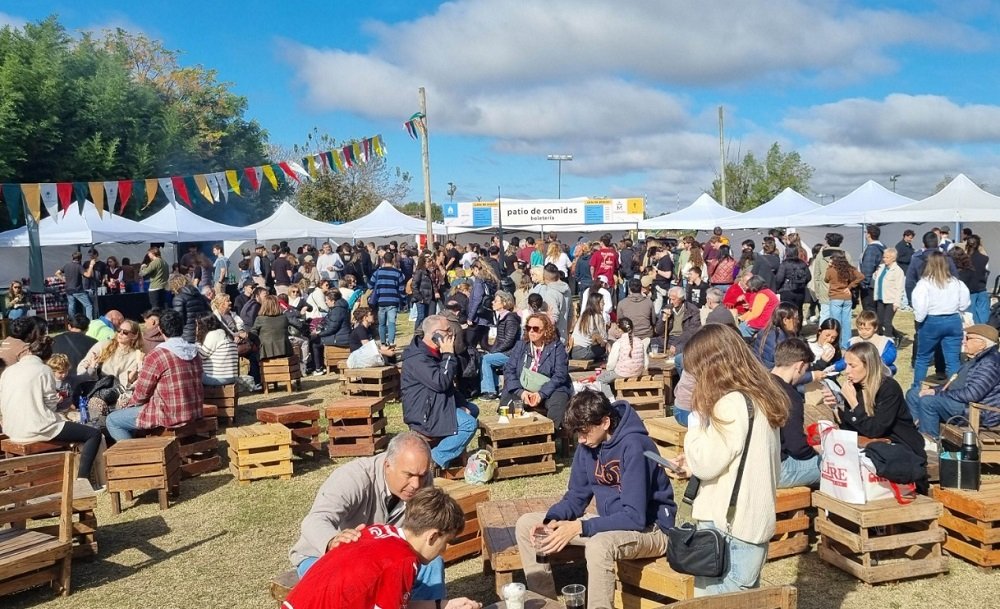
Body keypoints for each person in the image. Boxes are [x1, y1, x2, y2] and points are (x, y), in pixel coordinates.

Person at [515, 391, 676, 609]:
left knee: (599, 546)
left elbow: (635, 517)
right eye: (577, 434)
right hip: (613, 524)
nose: (580, 440)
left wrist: (579, 527)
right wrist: (551, 521)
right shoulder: (587, 446)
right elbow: (576, 497)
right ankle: (546, 605)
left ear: (605, 422)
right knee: (527, 524)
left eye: (584, 432)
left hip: (651, 529)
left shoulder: (635, 445)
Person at [289, 433, 461, 607]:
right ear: (387, 465)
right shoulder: (353, 477)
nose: (416, 484)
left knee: (432, 562)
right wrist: (333, 540)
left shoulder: (422, 481)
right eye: (409, 475)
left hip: (385, 558)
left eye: (422, 475)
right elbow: (314, 521)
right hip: (324, 557)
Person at [681, 323, 788, 595]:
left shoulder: (730, 403)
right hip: (752, 524)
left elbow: (706, 462)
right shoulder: (762, 397)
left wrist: (696, 424)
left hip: (728, 530)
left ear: (711, 365)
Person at [283, 486, 475, 609]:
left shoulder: (378, 531)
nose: (443, 551)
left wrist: (442, 605)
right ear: (433, 536)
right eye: (445, 542)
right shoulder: (403, 562)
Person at [0, 326, 103, 485]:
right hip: (36, 427)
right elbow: (51, 406)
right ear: (48, 358)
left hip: (11, 428)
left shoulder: (8, 371)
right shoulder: (43, 370)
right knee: (93, 434)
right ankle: (83, 480)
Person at [823, 342, 927, 490]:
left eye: (852, 366)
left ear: (868, 365)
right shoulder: (855, 387)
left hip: (901, 446)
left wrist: (853, 403)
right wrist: (837, 407)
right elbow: (850, 429)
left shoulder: (888, 388)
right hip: (873, 446)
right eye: (846, 365)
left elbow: (875, 429)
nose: (846, 371)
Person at [105, 310, 204, 441]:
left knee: (113, 420)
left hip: (169, 414)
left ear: (160, 330)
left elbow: (142, 392)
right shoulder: (194, 352)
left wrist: (129, 405)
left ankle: (135, 456)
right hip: (194, 410)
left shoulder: (158, 355)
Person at [401, 316, 480, 470]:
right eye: (447, 331)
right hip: (424, 414)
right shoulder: (418, 359)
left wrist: (462, 404)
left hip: (437, 403)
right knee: (469, 424)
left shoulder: (434, 352)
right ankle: (434, 459)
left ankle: (451, 450)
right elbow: (440, 383)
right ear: (435, 334)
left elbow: (448, 385)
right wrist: (449, 355)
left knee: (473, 409)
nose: (451, 334)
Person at [906, 324, 1000, 442]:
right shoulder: (976, 359)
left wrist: (937, 394)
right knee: (914, 394)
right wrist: (934, 390)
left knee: (929, 402)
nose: (964, 342)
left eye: (968, 339)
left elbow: (972, 395)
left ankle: (930, 444)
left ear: (982, 344)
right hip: (963, 404)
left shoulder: (990, 363)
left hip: (979, 412)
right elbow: (955, 384)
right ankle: (915, 436)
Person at [501, 313, 573, 430]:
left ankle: (549, 437)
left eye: (535, 329)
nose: (531, 332)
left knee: (559, 402)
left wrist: (541, 394)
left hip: (550, 389)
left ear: (546, 331)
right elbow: (509, 370)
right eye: (528, 328)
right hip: (523, 388)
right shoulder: (521, 346)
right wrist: (521, 392)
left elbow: (560, 375)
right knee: (508, 402)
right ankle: (511, 439)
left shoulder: (556, 347)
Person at [911, 251, 970, 388]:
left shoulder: (924, 284)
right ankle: (955, 389)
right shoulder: (957, 283)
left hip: (931, 321)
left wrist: (919, 321)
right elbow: (964, 304)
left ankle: (917, 388)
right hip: (953, 320)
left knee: (923, 358)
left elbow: (920, 307)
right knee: (953, 359)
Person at [772, 339, 821, 488]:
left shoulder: (759, 383)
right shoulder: (789, 396)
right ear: (799, 366)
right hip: (778, 469)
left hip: (751, 464)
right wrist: (815, 451)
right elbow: (797, 447)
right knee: (832, 464)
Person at [77, 317, 144, 401]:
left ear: (134, 336)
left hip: (117, 393)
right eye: (119, 330)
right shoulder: (103, 345)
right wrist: (92, 367)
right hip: (95, 387)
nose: (121, 333)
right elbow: (83, 366)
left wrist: (133, 373)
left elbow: (131, 382)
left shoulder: (136, 355)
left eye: (125, 332)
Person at [479, 291, 521, 400]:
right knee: (486, 357)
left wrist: (495, 351)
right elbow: (499, 339)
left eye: (496, 301)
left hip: (511, 354)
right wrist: (492, 350)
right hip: (505, 351)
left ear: (504, 303)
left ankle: (490, 391)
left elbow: (509, 340)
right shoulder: (502, 317)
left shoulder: (510, 318)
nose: (492, 302)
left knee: (486, 359)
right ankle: (495, 388)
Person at [597, 318, 648, 401]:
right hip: (638, 371)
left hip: (622, 372)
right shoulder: (639, 341)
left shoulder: (618, 343)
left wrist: (609, 369)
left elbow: (611, 364)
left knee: (600, 379)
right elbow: (646, 361)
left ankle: (611, 400)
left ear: (620, 329)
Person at [808, 232, 853, 323]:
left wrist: (817, 291)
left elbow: (816, 275)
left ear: (827, 241)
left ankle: (823, 335)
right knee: (840, 318)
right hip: (841, 290)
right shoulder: (846, 255)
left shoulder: (820, 255)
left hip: (825, 291)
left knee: (824, 316)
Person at [823, 254, 863, 351]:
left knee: (836, 322)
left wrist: (828, 268)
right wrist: (849, 287)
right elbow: (861, 276)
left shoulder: (831, 270)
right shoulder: (849, 269)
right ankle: (846, 344)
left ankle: (837, 343)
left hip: (835, 297)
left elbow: (826, 279)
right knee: (846, 322)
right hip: (847, 298)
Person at [370, 252, 407, 346]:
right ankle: (391, 342)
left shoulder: (377, 272)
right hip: (393, 301)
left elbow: (370, 285)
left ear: (383, 260)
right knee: (391, 323)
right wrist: (403, 300)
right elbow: (401, 289)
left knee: (381, 324)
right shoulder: (398, 273)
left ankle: (382, 342)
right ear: (393, 260)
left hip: (381, 301)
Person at [310, 290, 351, 373]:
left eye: (327, 300)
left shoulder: (337, 310)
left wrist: (319, 334)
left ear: (333, 301)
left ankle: (318, 368)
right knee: (316, 340)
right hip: (340, 335)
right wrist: (319, 328)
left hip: (339, 338)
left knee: (315, 343)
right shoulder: (339, 308)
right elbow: (329, 323)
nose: (325, 302)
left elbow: (332, 328)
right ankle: (320, 366)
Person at [654, 286, 701, 357]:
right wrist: (663, 319)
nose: (671, 302)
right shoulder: (668, 308)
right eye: (670, 299)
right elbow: (658, 331)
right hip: (669, 338)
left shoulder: (692, 310)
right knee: (651, 343)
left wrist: (675, 343)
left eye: (673, 299)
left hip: (683, 338)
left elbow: (691, 331)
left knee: (680, 348)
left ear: (681, 299)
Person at [751, 302, 801, 370]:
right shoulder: (782, 342)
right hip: (771, 377)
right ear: (785, 320)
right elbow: (787, 370)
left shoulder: (765, 331)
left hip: (758, 371)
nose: (798, 321)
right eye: (795, 318)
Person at [531, 264, 572, 341]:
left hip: (552, 338)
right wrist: (567, 334)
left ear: (544, 276)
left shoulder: (550, 293)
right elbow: (570, 314)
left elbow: (553, 318)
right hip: (563, 335)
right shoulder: (567, 288)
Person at [467, 259, 500, 350]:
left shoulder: (479, 281)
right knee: (484, 343)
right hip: (487, 314)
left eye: (473, 270)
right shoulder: (491, 280)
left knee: (471, 344)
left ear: (476, 269)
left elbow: (477, 299)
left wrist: (470, 317)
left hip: (477, 316)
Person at [873, 248, 905, 342]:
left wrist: (897, 303)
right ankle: (897, 335)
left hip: (891, 300)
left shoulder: (898, 271)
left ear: (893, 258)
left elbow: (899, 288)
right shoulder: (881, 267)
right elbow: (877, 279)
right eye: (884, 257)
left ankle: (888, 341)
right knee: (880, 321)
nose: (884, 259)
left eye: (887, 257)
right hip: (880, 298)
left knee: (887, 322)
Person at [196, 314, 238, 386]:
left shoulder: (214, 334)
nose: (196, 328)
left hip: (217, 378)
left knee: (189, 375)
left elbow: (201, 355)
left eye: (197, 325)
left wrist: (197, 343)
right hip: (231, 377)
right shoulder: (226, 334)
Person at [251, 295, 293, 362]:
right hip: (284, 349)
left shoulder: (260, 319)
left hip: (266, 351)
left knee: (252, 358)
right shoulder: (284, 318)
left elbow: (253, 333)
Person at [737, 275, 780, 340]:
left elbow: (755, 314)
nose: (749, 288)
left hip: (764, 321)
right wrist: (741, 318)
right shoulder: (768, 292)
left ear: (754, 286)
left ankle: (744, 343)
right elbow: (753, 311)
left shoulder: (762, 295)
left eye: (749, 286)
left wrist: (744, 321)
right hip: (770, 319)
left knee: (742, 328)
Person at [170, 274, 210, 344]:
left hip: (187, 335)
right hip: (202, 332)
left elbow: (178, 320)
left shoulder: (179, 298)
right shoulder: (199, 295)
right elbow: (208, 312)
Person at [570, 292, 609, 361]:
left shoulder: (585, 315)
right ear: (596, 304)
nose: (604, 304)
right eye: (602, 302)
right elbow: (597, 336)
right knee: (604, 348)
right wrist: (605, 344)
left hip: (574, 350)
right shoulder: (596, 316)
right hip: (583, 351)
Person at [775, 246, 811, 319]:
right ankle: (797, 327)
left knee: (787, 311)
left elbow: (779, 278)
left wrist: (777, 288)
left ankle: (787, 327)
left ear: (786, 253)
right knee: (799, 310)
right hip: (800, 291)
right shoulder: (802, 263)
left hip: (786, 291)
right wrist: (803, 284)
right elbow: (808, 277)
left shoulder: (784, 264)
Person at [965, 235, 991, 324]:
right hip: (981, 288)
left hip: (969, 289)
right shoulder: (985, 258)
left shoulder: (964, 259)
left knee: (970, 317)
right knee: (983, 315)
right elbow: (986, 272)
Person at [859, 226, 886, 311]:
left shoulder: (872, 249)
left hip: (870, 286)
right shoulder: (882, 246)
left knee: (869, 311)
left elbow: (868, 267)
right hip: (878, 283)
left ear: (869, 235)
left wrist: (863, 284)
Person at [61, 251, 94, 320]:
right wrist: (91, 265)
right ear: (80, 258)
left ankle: (72, 322)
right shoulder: (79, 266)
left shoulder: (67, 265)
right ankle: (89, 322)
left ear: (72, 257)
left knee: (71, 306)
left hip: (68, 290)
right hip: (77, 290)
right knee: (88, 305)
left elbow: (57, 273)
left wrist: (63, 279)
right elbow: (88, 275)